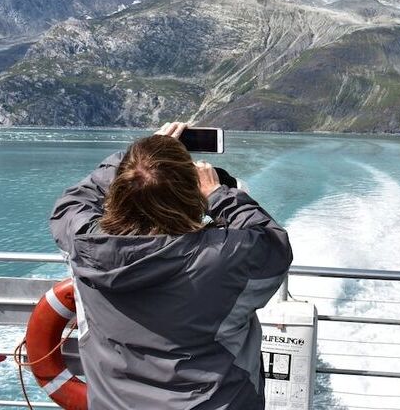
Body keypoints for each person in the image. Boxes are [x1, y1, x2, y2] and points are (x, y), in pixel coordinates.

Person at [49, 121, 292, 409]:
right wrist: (218, 194)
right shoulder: (225, 258)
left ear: (118, 192)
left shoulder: (85, 246)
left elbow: (72, 203)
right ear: (192, 197)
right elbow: (272, 243)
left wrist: (136, 162)